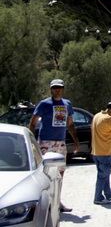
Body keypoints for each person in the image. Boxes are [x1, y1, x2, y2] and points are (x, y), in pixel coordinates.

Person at [28, 78, 80, 212]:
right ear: (51, 89)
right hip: (45, 142)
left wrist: (75, 141)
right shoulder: (44, 104)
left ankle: (57, 202)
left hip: (60, 142)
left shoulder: (67, 104)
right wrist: (31, 142)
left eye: (60, 87)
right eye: (55, 88)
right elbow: (33, 123)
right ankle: (43, 204)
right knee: (45, 173)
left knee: (60, 173)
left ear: (63, 89)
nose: (57, 90)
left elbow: (70, 124)